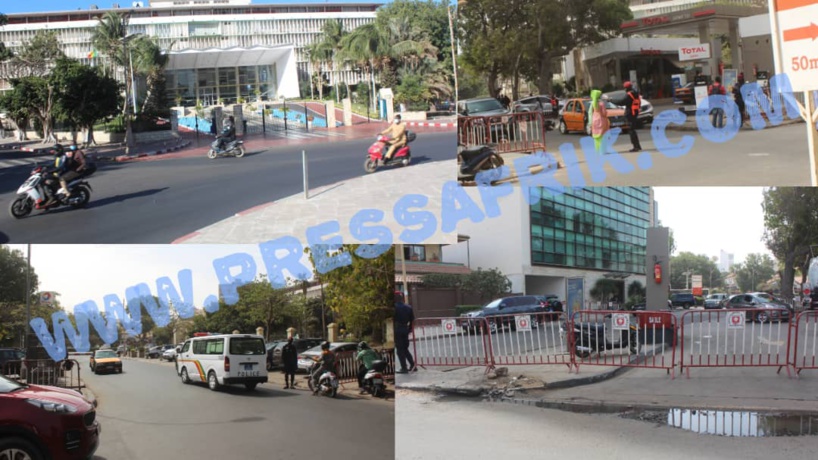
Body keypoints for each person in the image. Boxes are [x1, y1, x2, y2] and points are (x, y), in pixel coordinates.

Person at [614, 81, 642, 152]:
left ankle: (636, 147)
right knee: (633, 129)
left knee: (631, 130)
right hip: (635, 112)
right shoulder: (636, 93)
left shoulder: (629, 95)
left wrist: (611, 100)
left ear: (626, 88)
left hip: (630, 114)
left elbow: (621, 102)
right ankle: (637, 145)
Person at [394, 290, 416, 373]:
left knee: (400, 350)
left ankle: (404, 368)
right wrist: (410, 329)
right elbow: (412, 320)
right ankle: (413, 365)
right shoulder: (408, 307)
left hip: (397, 330)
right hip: (405, 329)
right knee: (405, 349)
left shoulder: (395, 307)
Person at [588, 90, 610, 154]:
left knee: (596, 136)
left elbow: (589, 113)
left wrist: (590, 122)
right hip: (602, 120)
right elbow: (604, 113)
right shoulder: (601, 103)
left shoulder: (592, 103)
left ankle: (597, 150)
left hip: (594, 120)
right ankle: (602, 151)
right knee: (603, 136)